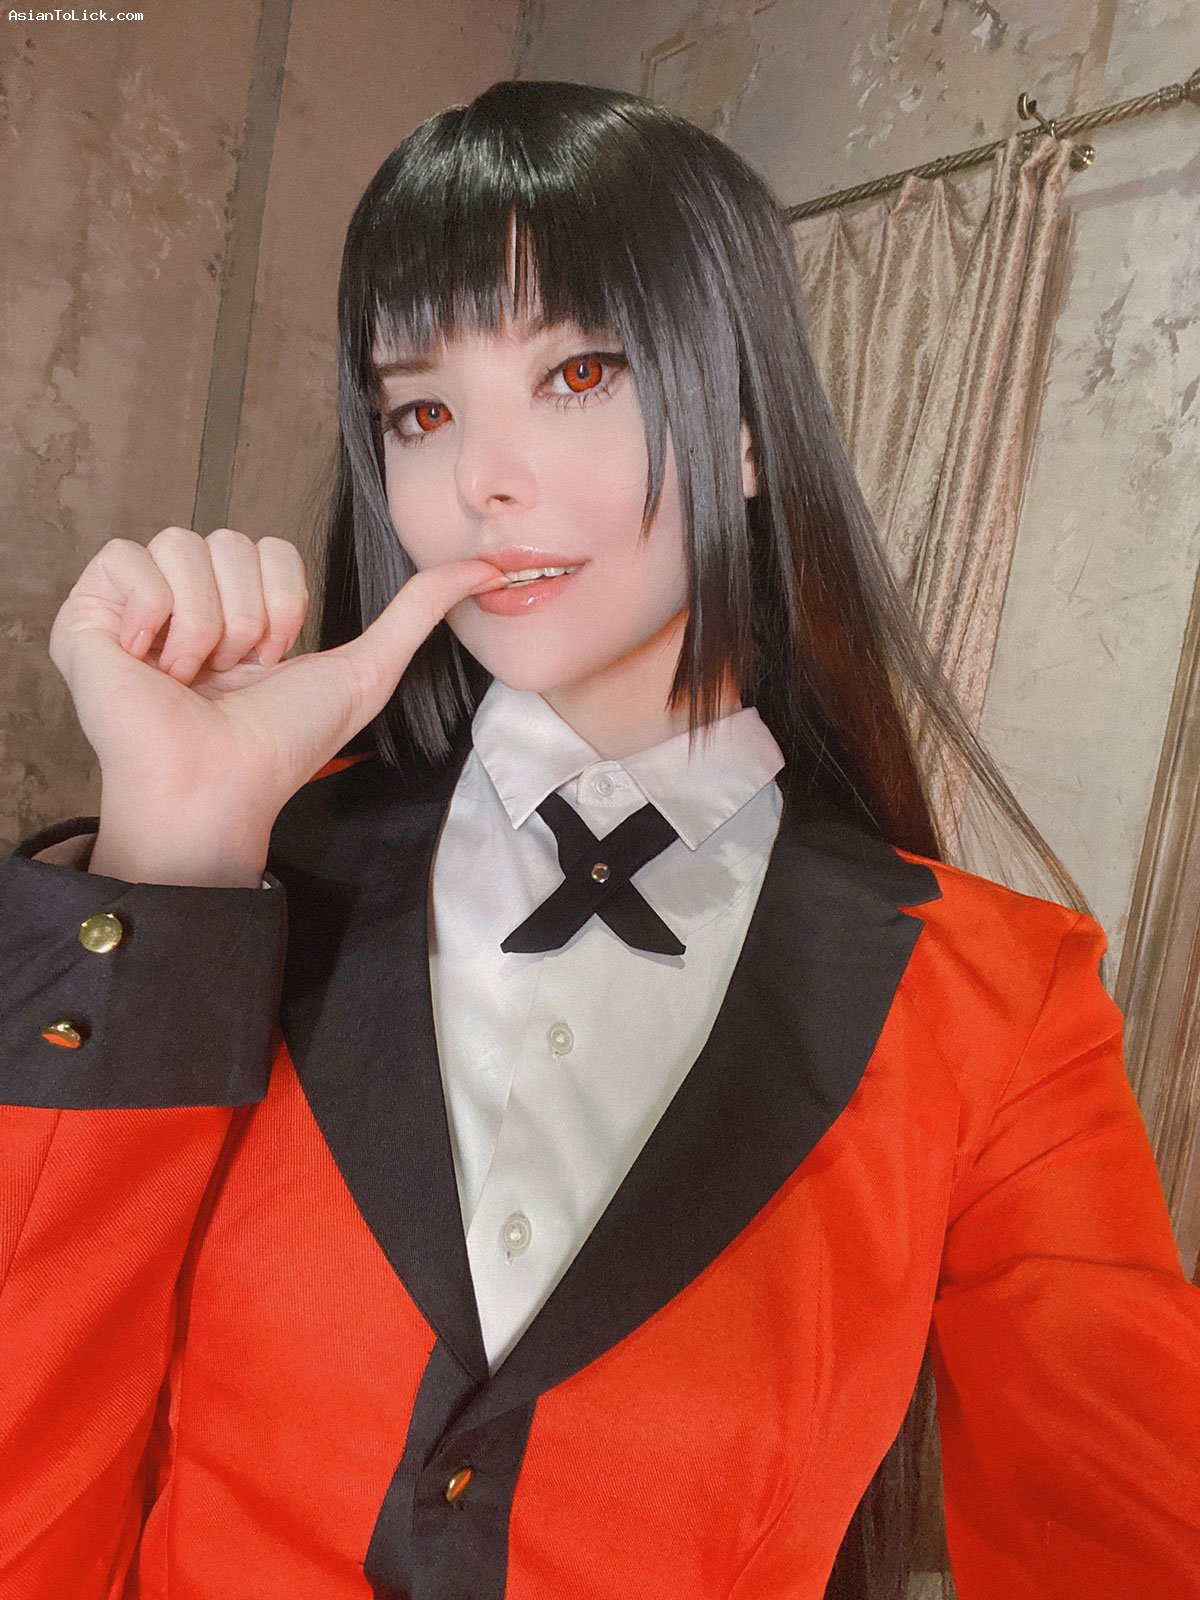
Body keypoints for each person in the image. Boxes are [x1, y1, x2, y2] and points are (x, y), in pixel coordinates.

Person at [1, 77, 1197, 1600]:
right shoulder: (247, 881)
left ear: (747, 432)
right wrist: (173, 853)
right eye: (423, 410)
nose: (479, 480)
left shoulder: (1000, 1004)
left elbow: (1123, 1540)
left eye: (577, 374)